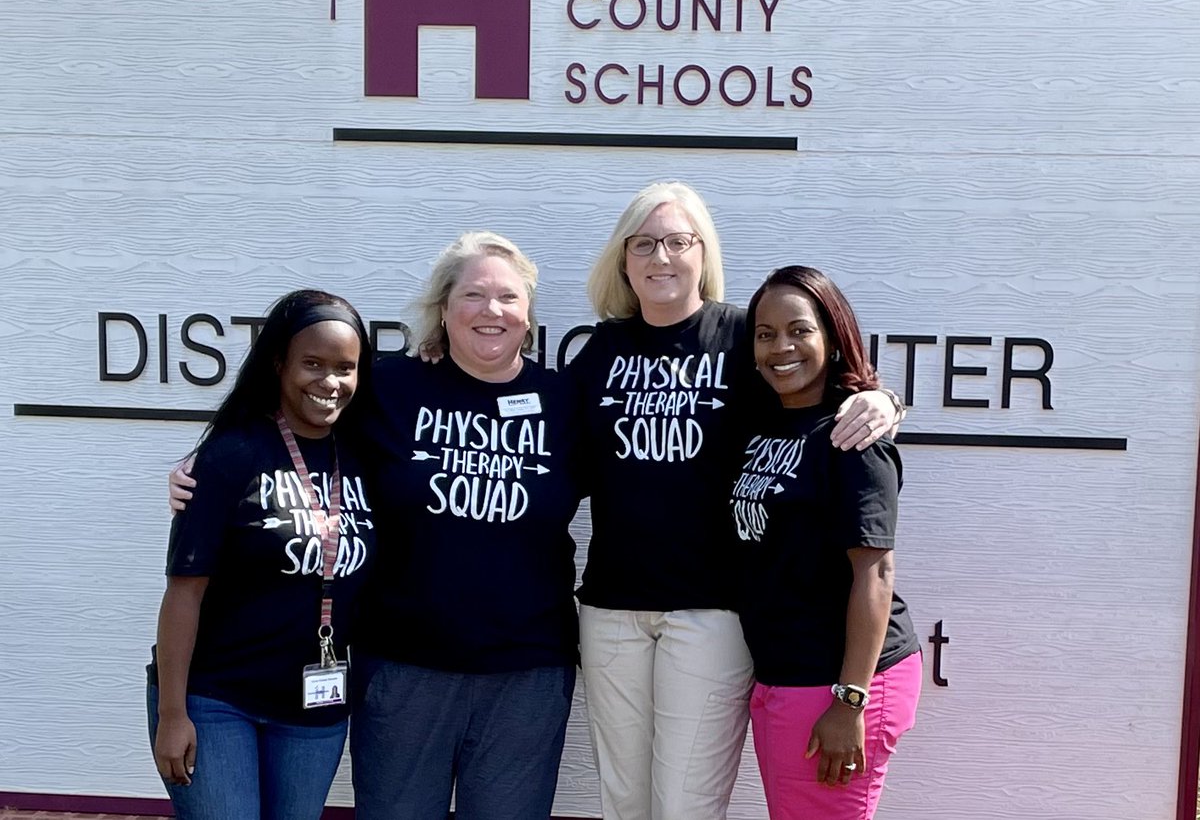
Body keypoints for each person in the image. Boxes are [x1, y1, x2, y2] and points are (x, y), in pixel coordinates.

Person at [567, 182, 905, 820]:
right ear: (623, 259)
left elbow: (818, 379)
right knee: (623, 802)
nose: (660, 256)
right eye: (643, 244)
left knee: (686, 805)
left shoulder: (741, 336)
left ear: (703, 253)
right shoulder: (599, 352)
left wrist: (884, 401)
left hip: (712, 612)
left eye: (677, 241)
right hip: (612, 608)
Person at [348, 231, 581, 820]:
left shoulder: (564, 401)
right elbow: (298, 424)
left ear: (528, 314)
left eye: (508, 297)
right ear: (444, 310)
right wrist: (215, 460)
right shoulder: (389, 386)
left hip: (526, 673)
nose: (491, 311)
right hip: (404, 667)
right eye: (473, 295)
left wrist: (855, 398)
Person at [148, 289, 375, 820]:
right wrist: (172, 713)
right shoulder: (232, 455)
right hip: (218, 702)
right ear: (279, 365)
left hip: (314, 710)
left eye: (346, 367)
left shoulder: (366, 456)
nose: (330, 382)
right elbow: (184, 593)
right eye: (312, 364)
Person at [733, 266, 921, 820]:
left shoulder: (852, 437)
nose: (781, 347)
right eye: (765, 335)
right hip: (784, 673)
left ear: (833, 338)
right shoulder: (766, 425)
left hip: (838, 682)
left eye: (799, 330)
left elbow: (876, 573)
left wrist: (850, 700)